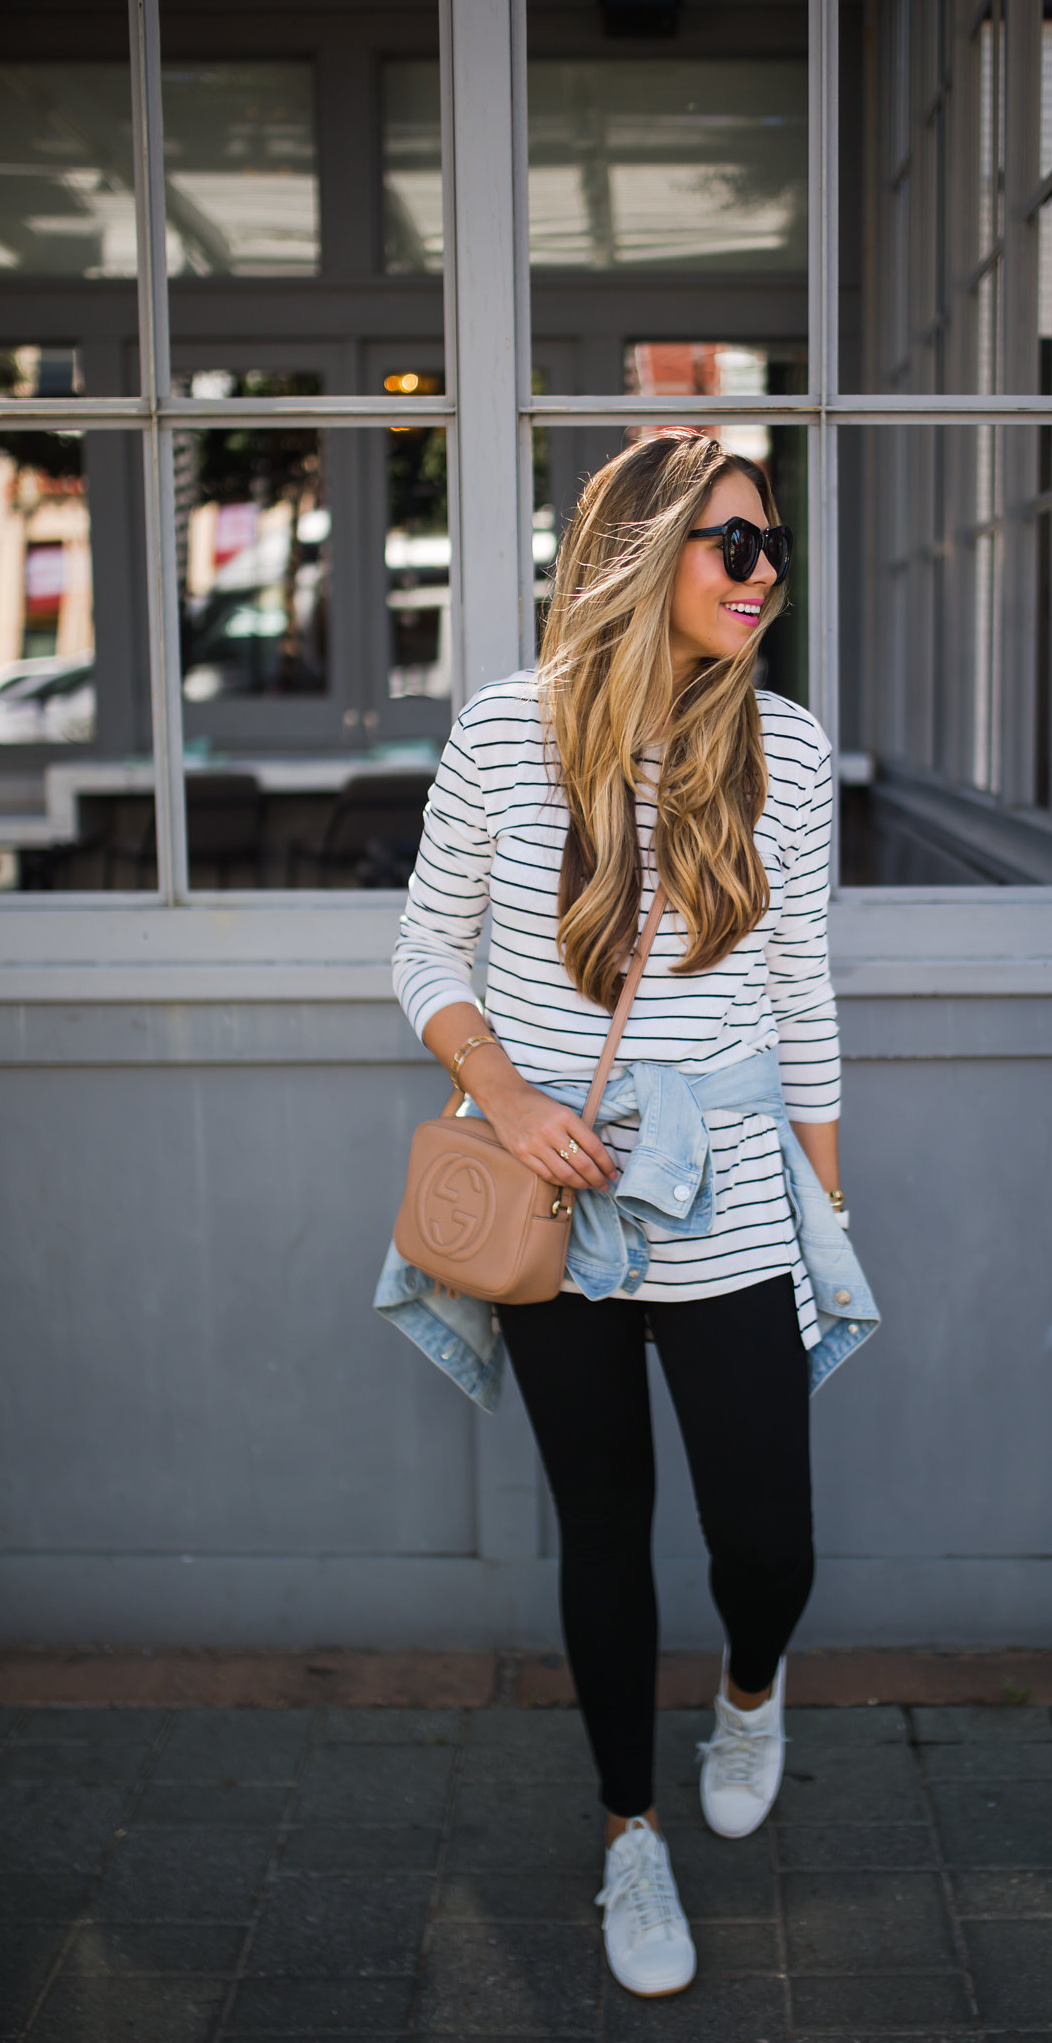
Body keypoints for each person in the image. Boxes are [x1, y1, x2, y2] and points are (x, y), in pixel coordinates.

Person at [381, 429, 878, 1999]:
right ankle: (628, 1836)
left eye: (771, 545)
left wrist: (828, 1200)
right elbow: (424, 953)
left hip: (728, 1200)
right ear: (640, 553)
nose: (762, 572)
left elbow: (801, 996)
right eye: (731, 544)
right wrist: (513, 1101)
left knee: (769, 1542)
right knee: (603, 1532)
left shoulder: (784, 753)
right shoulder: (506, 736)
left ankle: (749, 1689)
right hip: (560, 1203)